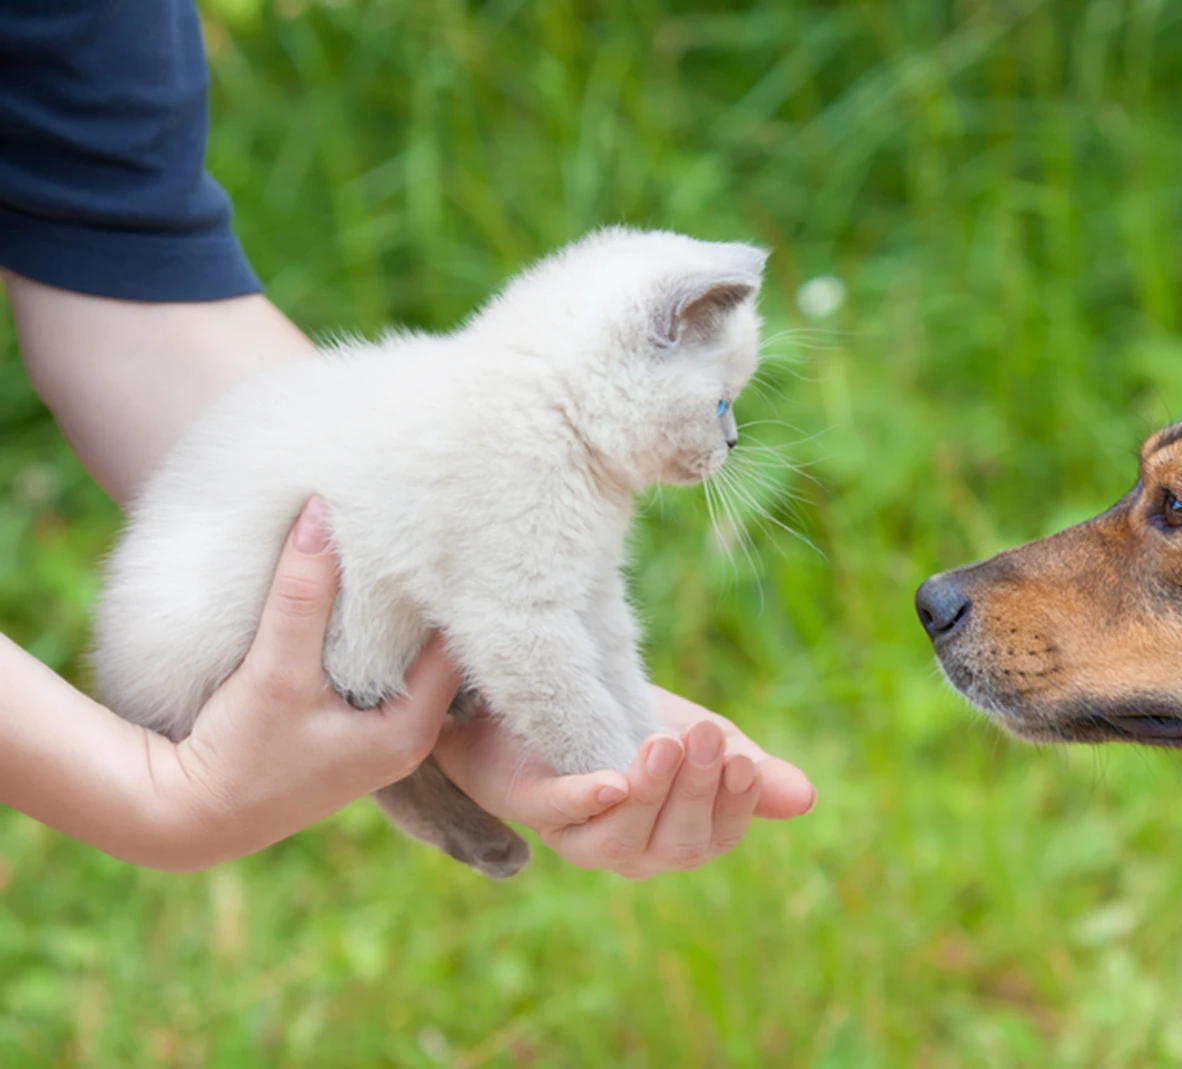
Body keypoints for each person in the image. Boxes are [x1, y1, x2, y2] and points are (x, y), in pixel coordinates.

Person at [0, 0, 813, 877]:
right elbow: (523, 627)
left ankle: (406, 749)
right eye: (720, 405)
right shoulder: (511, 434)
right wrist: (153, 793)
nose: (726, 441)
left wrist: (631, 727)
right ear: (644, 343)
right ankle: (402, 753)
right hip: (188, 641)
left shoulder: (526, 423)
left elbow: (123, 260)